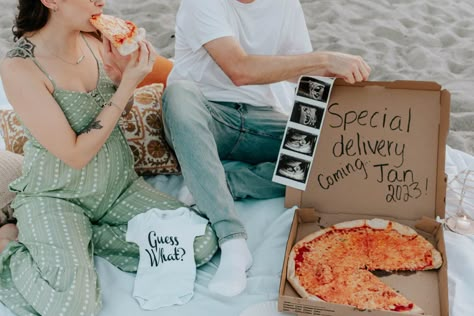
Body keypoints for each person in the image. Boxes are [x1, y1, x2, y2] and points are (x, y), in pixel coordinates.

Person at [0, 0, 218, 315]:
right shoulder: (20, 66)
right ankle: (10, 247)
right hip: (58, 198)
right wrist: (127, 84)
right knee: (75, 308)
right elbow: (75, 154)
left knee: (199, 239)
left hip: (118, 189)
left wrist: (120, 81)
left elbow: (119, 114)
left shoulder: (98, 39)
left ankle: (84, 238)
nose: (101, 1)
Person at [162, 0, 371, 297]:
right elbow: (239, 69)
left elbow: (305, 76)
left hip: (262, 118)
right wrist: (323, 59)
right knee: (178, 94)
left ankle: (229, 184)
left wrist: (338, 82)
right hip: (204, 117)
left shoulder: (285, 5)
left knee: (340, 154)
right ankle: (232, 239)